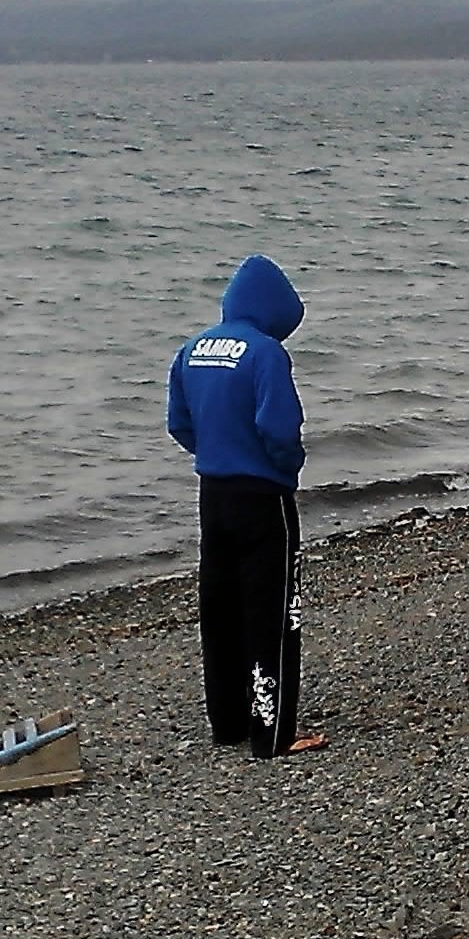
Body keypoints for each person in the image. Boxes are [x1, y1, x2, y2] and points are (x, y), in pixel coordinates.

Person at [167, 253, 318, 758]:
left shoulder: (192, 349)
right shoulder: (265, 352)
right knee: (273, 612)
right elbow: (279, 428)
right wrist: (287, 469)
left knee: (221, 607)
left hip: (213, 494)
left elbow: (179, 423)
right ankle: (273, 735)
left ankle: (227, 722)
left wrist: (215, 452)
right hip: (263, 497)